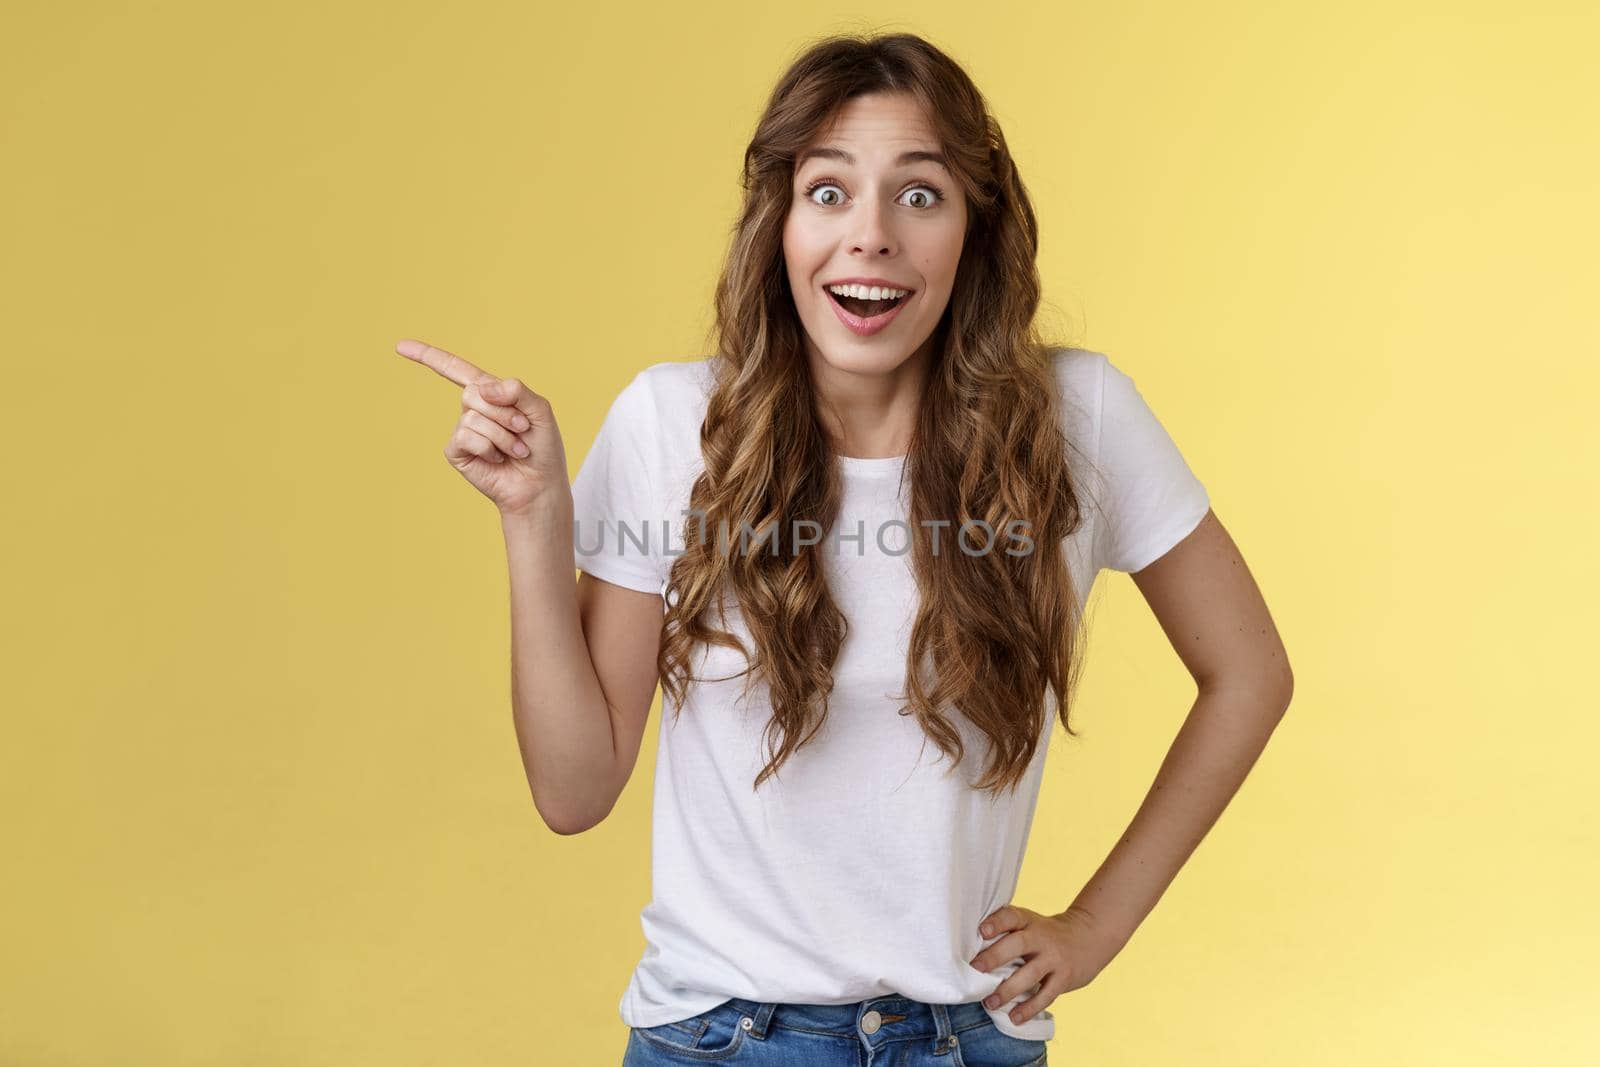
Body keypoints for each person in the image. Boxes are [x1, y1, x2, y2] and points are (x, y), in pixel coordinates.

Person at [397, 31, 1292, 1067]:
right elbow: (573, 789)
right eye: (827, 192)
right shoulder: (667, 424)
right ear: (778, 222)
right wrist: (532, 519)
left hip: (970, 1038)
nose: (869, 237)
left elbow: (1249, 672)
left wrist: (1097, 924)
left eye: (919, 195)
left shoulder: (1075, 417)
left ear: (975, 228)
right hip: (722, 1038)